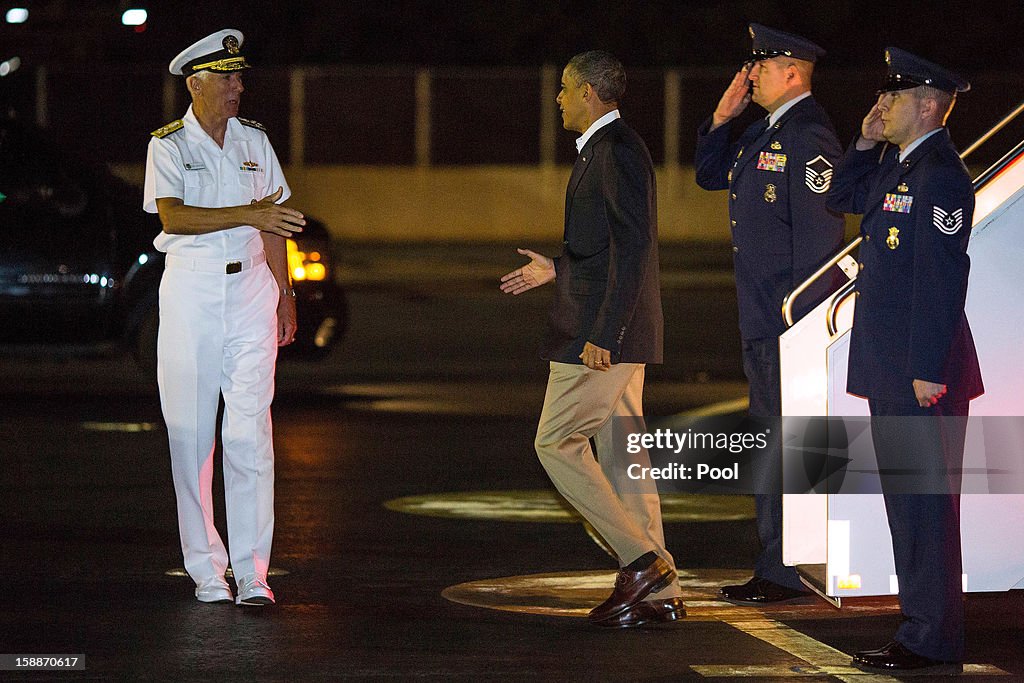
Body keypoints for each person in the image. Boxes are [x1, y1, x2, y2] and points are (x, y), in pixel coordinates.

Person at [500, 50, 685, 628]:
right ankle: (660, 593)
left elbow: (634, 248)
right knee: (625, 459)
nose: (557, 98)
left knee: (555, 444)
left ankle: (641, 563)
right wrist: (558, 268)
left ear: (589, 94)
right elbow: (606, 247)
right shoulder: (610, 151)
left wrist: (605, 333)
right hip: (618, 331)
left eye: (563, 89)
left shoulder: (615, 151)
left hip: (602, 337)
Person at [827, 47, 982, 674]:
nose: (879, 106)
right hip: (895, 369)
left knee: (926, 511)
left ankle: (931, 638)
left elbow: (944, 276)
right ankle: (922, 630)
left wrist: (927, 369)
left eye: (891, 98)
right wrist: (863, 145)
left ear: (926, 106)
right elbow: (840, 195)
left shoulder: (940, 174)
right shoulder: (899, 164)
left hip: (922, 375)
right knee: (909, 509)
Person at [143, 29, 306, 606]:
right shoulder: (168, 144)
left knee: (250, 434)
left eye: (240, 77)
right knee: (191, 437)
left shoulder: (255, 141)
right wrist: (246, 210)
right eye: (227, 78)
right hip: (191, 295)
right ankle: (207, 569)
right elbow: (175, 217)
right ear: (196, 83)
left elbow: (274, 223)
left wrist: (285, 293)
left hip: (252, 293)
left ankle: (253, 572)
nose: (239, 87)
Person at [694, 23, 845, 605]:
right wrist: (722, 118)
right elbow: (710, 175)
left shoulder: (809, 137)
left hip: (786, 324)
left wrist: (800, 325)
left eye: (761, 65)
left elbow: (818, 243)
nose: (749, 73)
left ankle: (784, 568)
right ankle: (777, 562)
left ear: (792, 73)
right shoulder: (766, 130)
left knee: (787, 446)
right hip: (762, 319)